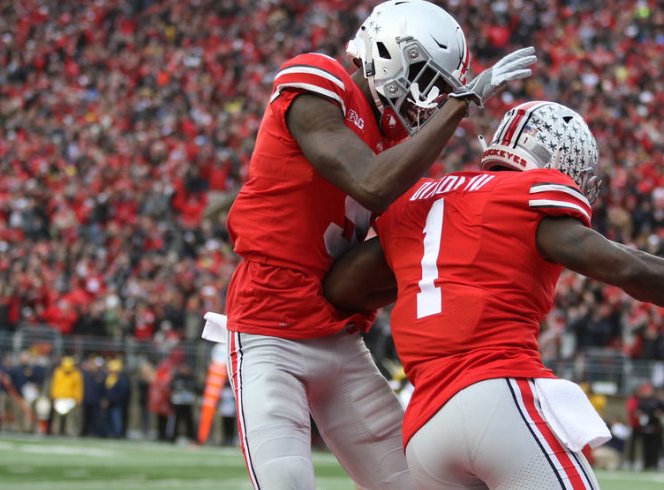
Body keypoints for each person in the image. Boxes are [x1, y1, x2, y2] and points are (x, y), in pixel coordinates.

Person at [323, 100, 664, 489]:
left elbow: (342, 288)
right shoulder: (525, 195)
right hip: (496, 396)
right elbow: (622, 265)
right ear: (555, 160)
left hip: (425, 429)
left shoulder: (420, 198)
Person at [221, 1, 535, 488]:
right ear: (391, 53)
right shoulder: (321, 81)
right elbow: (368, 183)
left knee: (414, 483)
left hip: (338, 336)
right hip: (268, 331)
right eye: (428, 83)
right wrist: (460, 104)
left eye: (441, 92)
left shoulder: (395, 146)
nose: (429, 100)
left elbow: (417, 245)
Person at [48, 356, 83, 436]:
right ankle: (56, 431)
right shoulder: (58, 372)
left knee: (70, 417)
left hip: (70, 399)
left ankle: (69, 432)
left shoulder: (76, 375)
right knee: (57, 417)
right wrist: (54, 396)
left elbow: (78, 388)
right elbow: (54, 385)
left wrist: (78, 398)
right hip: (59, 398)